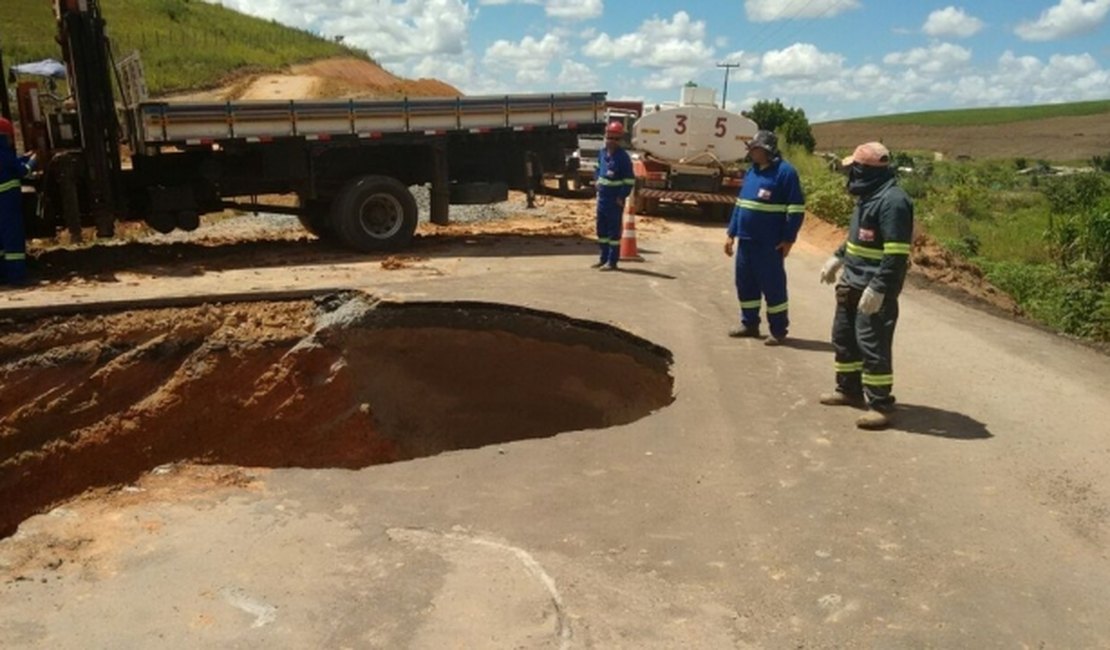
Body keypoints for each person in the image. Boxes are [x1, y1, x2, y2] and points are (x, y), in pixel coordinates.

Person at [818, 141, 914, 430]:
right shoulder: (869, 196)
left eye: (854, 168)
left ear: (866, 170)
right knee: (844, 337)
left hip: (873, 287)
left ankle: (881, 404)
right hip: (852, 281)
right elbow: (858, 239)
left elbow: (896, 253)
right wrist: (837, 258)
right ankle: (848, 390)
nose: (850, 174)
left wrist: (880, 288)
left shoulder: (893, 201)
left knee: (873, 346)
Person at [724, 130, 806, 345]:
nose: (752, 152)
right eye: (751, 148)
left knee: (773, 287)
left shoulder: (786, 173)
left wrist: (789, 238)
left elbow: (796, 209)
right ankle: (749, 323)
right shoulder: (752, 172)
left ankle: (778, 330)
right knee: (745, 283)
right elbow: (741, 204)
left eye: (757, 149)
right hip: (746, 241)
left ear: (769, 151)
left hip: (769, 244)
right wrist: (731, 234)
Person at [592, 120, 634, 271]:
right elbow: (597, 168)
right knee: (601, 231)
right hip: (602, 199)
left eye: (616, 139)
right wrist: (596, 180)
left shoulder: (623, 158)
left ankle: (612, 261)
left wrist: (622, 196)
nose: (613, 141)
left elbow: (629, 180)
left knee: (613, 232)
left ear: (620, 140)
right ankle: (603, 259)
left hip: (615, 200)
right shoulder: (602, 153)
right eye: (610, 137)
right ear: (606, 136)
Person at [0, 117, 36, 286]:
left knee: (1, 241)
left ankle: (3, 274)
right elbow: (22, 171)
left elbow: (10, 165)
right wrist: (33, 161)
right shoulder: (4, 152)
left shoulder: (4, 154)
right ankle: (17, 277)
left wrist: (22, 158)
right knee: (13, 238)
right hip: (7, 203)